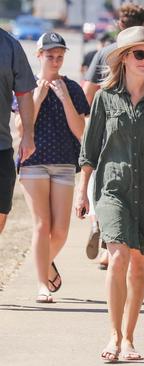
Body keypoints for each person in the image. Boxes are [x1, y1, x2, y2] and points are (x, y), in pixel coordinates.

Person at [74, 26, 144, 362]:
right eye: (140, 54)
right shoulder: (105, 98)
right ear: (123, 58)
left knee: (138, 264)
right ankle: (113, 335)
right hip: (113, 188)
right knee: (118, 256)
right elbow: (89, 150)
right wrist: (81, 192)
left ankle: (130, 337)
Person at [14, 32, 89, 303]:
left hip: (64, 163)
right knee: (42, 224)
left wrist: (64, 97)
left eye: (59, 56)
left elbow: (81, 131)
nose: (55, 60)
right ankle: (42, 284)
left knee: (60, 231)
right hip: (33, 162)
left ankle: (43, 265)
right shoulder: (25, 86)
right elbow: (22, 128)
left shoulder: (73, 88)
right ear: (39, 56)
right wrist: (39, 96)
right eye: (50, 55)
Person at [82, 3, 144, 268]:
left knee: (101, 181)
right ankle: (119, 243)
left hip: (106, 128)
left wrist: (90, 123)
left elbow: (87, 93)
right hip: (138, 138)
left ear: (119, 25)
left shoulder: (105, 53)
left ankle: (101, 227)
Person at [0, 28, 36, 234]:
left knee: (2, 211)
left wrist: (28, 135)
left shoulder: (10, 46)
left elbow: (24, 94)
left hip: (2, 146)